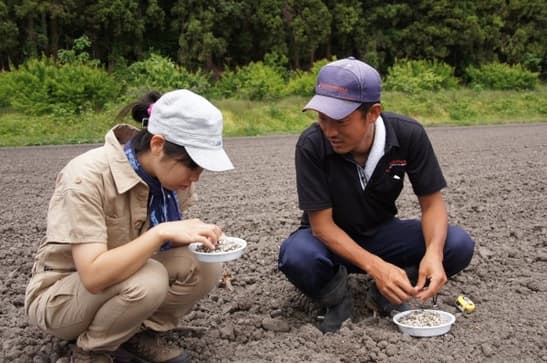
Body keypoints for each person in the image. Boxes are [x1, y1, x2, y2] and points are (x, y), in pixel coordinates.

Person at [24, 89, 234, 362]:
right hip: (63, 295)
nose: (195, 178)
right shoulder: (87, 176)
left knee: (205, 262)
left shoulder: (170, 182)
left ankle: (134, 335)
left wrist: (198, 237)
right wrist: (160, 233)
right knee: (150, 278)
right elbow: (93, 275)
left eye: (202, 170)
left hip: (125, 278)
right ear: (157, 145)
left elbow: (156, 245)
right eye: (191, 166)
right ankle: (92, 351)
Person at [278, 57, 475, 333]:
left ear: (372, 114)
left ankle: (387, 292)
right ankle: (336, 299)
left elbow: (431, 204)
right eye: (322, 118)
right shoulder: (312, 145)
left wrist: (432, 252)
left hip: (382, 234)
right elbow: (321, 227)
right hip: (328, 242)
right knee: (296, 256)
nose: (330, 131)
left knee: (456, 244)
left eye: (341, 121)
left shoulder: (408, 136)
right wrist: (376, 266)